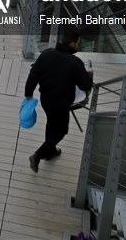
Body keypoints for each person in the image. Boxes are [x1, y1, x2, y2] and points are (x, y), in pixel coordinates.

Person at [25, 31, 93, 171]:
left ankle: (50, 152)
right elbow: (85, 86)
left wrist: (28, 93)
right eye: (78, 43)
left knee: (51, 124)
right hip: (61, 103)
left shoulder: (46, 54)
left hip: (46, 99)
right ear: (72, 44)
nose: (78, 45)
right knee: (61, 130)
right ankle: (38, 155)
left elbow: (33, 75)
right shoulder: (75, 63)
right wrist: (89, 74)